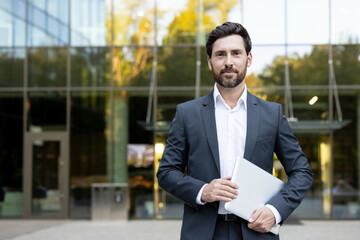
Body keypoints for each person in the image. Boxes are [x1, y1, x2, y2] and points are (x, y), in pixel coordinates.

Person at [156, 22, 313, 240]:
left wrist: (275, 211)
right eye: (220, 54)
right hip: (202, 232)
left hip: (256, 231)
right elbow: (166, 173)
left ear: (248, 59)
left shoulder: (272, 114)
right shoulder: (187, 114)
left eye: (236, 53)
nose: (228, 62)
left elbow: (302, 172)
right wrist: (203, 191)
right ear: (210, 62)